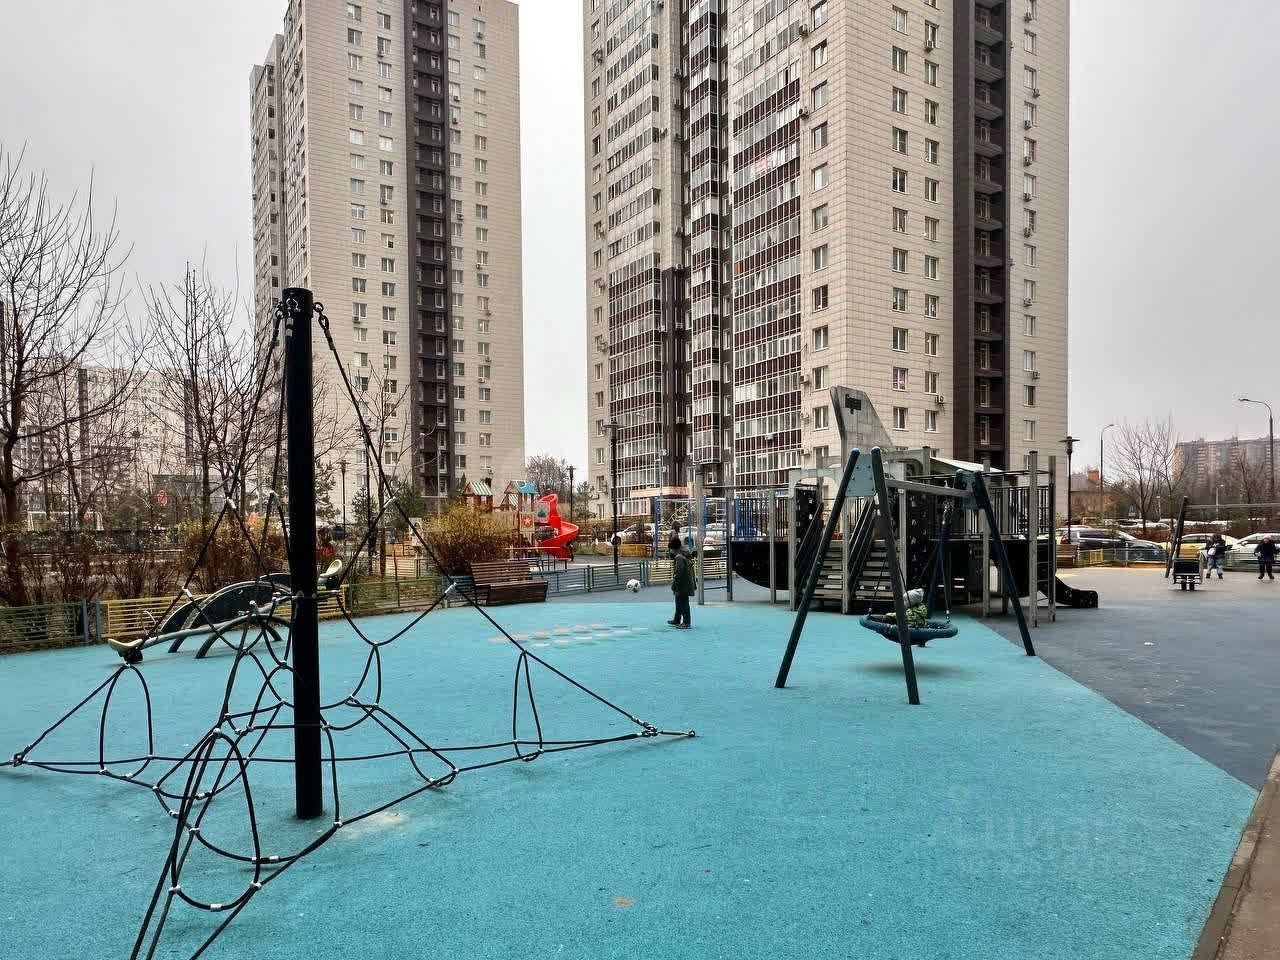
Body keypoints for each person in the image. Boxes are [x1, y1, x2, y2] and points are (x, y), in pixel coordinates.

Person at [667, 535, 694, 629]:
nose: (670, 551)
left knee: (683, 602)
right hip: (685, 582)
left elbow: (678, 573)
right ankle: (677, 619)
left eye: (670, 549)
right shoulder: (683, 554)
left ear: (674, 549)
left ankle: (686, 622)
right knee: (679, 601)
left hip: (683, 583)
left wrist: (674, 584)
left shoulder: (679, 558)